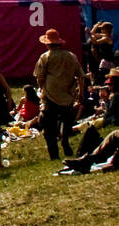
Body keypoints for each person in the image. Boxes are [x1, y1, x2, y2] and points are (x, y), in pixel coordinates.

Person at [33, 28, 84, 160]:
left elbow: (39, 77)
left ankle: (54, 154)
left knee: (48, 126)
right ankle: (65, 139)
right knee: (66, 121)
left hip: (50, 95)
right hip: (67, 95)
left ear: (47, 44)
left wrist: (41, 88)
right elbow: (81, 76)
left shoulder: (45, 57)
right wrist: (81, 93)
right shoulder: (71, 56)